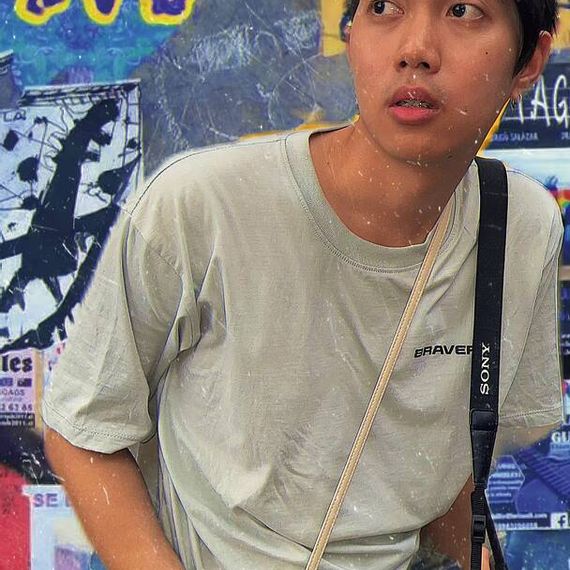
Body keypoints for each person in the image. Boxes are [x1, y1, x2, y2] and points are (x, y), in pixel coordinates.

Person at [42, 0, 563, 568]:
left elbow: (439, 469)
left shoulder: (519, 227)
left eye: (462, 11)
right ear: (352, 36)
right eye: (384, 7)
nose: (416, 49)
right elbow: (83, 430)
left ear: (529, 61)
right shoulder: (202, 207)